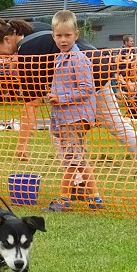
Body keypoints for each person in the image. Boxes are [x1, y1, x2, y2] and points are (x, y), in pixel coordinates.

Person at [0, 17, 137, 196]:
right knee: (115, 123)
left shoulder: (27, 52)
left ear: (6, 39)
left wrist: (22, 144)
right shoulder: (32, 28)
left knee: (61, 132)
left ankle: (78, 184)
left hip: (83, 79)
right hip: (99, 66)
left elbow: (31, 103)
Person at [44, 11, 102, 213]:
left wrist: (62, 98)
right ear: (53, 35)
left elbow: (87, 88)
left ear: (76, 35)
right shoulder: (60, 58)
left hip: (76, 117)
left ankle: (64, 198)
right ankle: (94, 197)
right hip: (65, 118)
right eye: (59, 35)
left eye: (67, 35)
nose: (63, 39)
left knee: (71, 159)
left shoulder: (78, 59)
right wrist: (53, 98)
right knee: (77, 158)